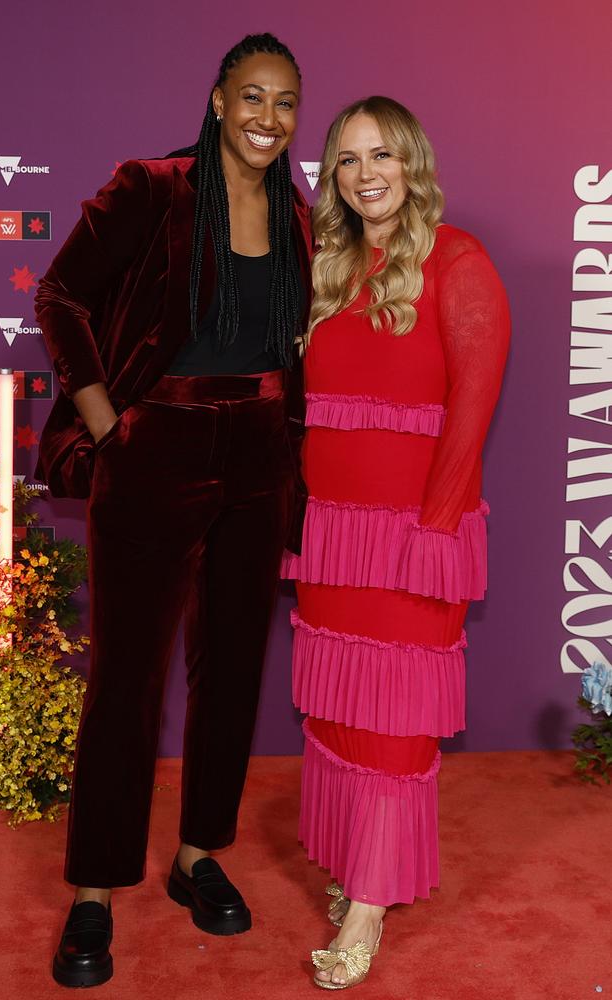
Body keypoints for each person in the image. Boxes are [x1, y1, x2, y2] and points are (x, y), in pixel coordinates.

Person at [34, 33, 312, 989]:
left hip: (260, 454)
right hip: (158, 444)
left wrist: (292, 451)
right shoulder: (152, 186)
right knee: (127, 678)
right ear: (218, 97)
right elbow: (62, 290)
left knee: (232, 668)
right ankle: (96, 889)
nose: (267, 119)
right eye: (252, 97)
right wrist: (109, 422)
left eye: (284, 103)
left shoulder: (299, 212)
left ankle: (199, 855)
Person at [281, 96, 510, 989]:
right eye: (346, 159)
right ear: (331, 177)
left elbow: (472, 412)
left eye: (381, 155)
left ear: (412, 161)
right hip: (331, 536)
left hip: (415, 533)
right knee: (341, 709)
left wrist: (437, 530)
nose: (365, 174)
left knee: (394, 721)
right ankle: (357, 869)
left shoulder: (460, 262)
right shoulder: (328, 265)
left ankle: (370, 905)